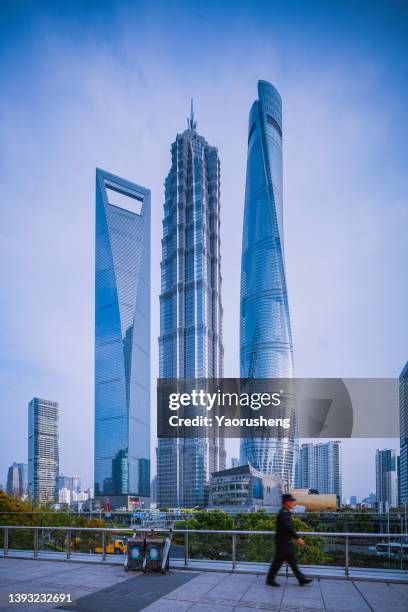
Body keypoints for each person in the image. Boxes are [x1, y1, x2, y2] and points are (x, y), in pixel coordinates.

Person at [266, 493, 313, 587]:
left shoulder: (285, 512)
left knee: (292, 561)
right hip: (282, 542)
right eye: (291, 501)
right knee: (278, 562)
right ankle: (270, 580)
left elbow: (289, 527)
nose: (292, 503)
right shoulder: (283, 513)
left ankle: (301, 579)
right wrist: (297, 538)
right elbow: (288, 527)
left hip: (286, 542)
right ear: (287, 502)